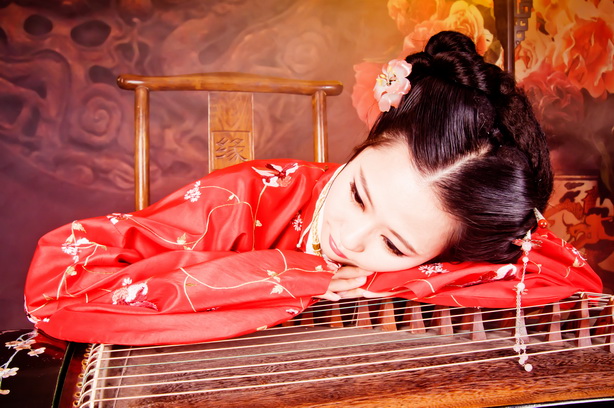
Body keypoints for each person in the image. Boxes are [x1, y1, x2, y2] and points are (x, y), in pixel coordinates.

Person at [24, 31, 602, 346]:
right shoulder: (249, 195)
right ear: (367, 142)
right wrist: (301, 276)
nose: (350, 239)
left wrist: (386, 281)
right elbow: (63, 282)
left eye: (395, 244)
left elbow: (574, 284)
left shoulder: (457, 226)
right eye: (358, 194)